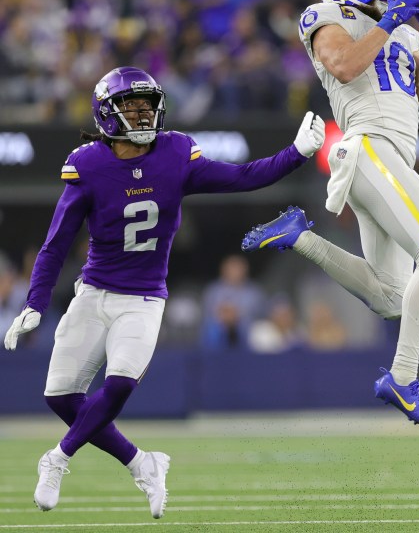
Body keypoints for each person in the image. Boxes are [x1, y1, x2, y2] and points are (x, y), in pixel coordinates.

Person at [2, 66, 325, 518]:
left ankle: (57, 459)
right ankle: (142, 463)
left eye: (148, 106)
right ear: (107, 114)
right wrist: (35, 302)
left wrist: (296, 154)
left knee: (118, 385)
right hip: (94, 292)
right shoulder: (89, 164)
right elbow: (56, 244)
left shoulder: (175, 153)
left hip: (144, 298)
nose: (143, 115)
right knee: (59, 397)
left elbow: (243, 176)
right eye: (131, 108)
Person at [241, 0, 419, 430]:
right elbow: (342, 65)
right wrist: (390, 22)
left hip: (393, 158)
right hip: (367, 146)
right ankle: (403, 378)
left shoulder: (399, 25)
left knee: (390, 298)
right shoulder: (327, 14)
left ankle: (300, 236)